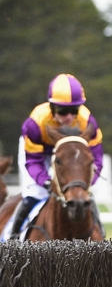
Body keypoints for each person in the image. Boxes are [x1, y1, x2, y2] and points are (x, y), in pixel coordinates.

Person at [10, 73, 104, 239]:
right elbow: (33, 160)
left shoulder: (88, 121)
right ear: (52, 107)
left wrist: (84, 184)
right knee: (34, 194)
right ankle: (13, 240)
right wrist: (46, 182)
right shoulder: (35, 123)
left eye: (74, 110)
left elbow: (95, 159)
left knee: (84, 196)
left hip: (71, 157)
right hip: (39, 154)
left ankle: (101, 235)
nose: (69, 117)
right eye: (62, 110)